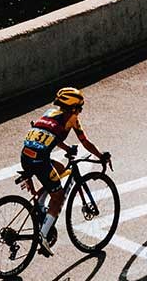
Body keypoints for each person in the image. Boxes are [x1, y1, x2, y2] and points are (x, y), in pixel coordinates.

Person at [17, 87, 107, 254]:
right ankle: (42, 236)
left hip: (25, 156)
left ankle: (41, 206)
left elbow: (50, 135)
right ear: (73, 108)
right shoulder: (72, 119)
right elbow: (85, 142)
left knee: (59, 168)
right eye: (80, 107)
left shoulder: (50, 113)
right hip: (39, 161)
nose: (80, 111)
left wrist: (66, 148)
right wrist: (101, 156)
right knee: (58, 197)